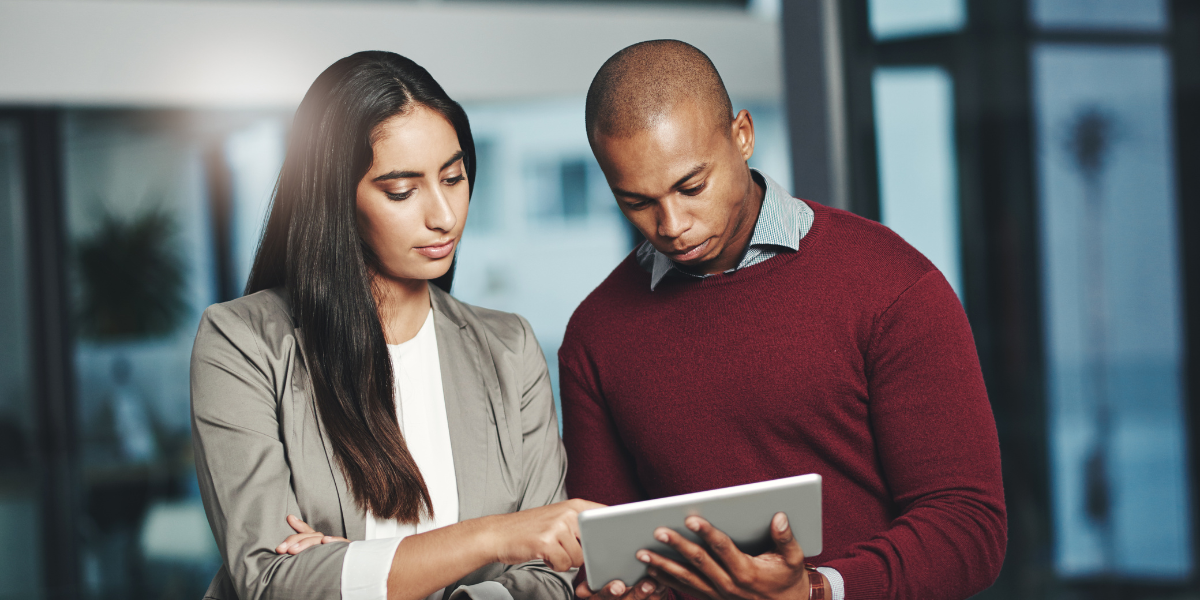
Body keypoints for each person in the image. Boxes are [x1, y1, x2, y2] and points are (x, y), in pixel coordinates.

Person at [559, 40, 1006, 600]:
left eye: (691, 186)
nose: (670, 224)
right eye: (636, 202)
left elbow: (969, 525)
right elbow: (608, 555)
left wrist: (817, 592)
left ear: (742, 135)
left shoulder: (891, 285)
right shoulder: (596, 336)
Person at [190, 51, 598, 600]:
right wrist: (496, 538)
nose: (445, 216)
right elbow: (271, 582)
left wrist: (347, 567)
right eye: (402, 191)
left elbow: (549, 578)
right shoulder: (242, 343)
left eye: (454, 178)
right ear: (337, 199)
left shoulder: (509, 349)